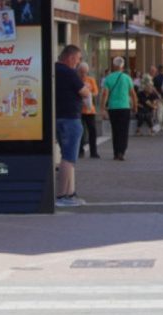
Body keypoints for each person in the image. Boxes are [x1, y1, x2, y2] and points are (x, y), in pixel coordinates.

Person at [54, 45, 90, 208]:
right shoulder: (69, 72)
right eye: (78, 58)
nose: (78, 62)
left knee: (66, 157)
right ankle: (62, 195)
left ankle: (70, 193)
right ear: (70, 57)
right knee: (68, 159)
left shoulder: (54, 69)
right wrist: (87, 89)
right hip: (71, 119)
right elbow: (84, 92)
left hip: (57, 117)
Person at [101, 56, 137, 161]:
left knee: (115, 130)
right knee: (123, 130)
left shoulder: (108, 78)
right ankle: (122, 151)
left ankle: (116, 152)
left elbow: (105, 94)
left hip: (113, 108)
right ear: (122, 66)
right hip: (125, 107)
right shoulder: (127, 78)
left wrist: (103, 108)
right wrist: (135, 106)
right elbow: (133, 94)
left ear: (113, 65)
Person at [77, 62, 100, 159]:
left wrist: (89, 94)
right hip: (79, 110)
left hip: (90, 110)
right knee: (80, 131)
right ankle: (80, 151)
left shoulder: (91, 80)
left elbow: (96, 92)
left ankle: (93, 152)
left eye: (85, 72)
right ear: (78, 71)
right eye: (81, 72)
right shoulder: (76, 80)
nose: (83, 74)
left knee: (92, 131)